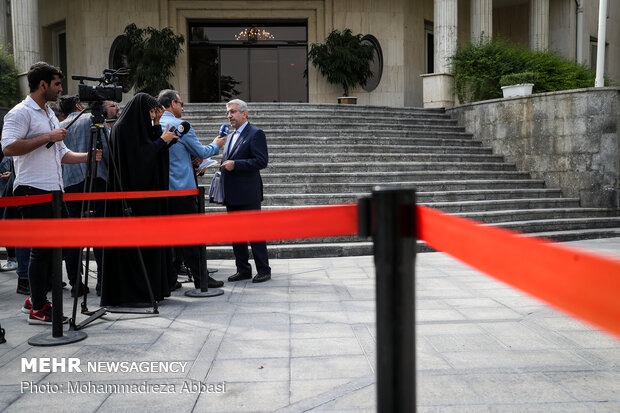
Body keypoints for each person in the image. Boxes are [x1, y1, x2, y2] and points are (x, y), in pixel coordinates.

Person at [1, 61, 102, 325]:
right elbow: (9, 147)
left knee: (55, 248)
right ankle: (37, 306)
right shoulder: (20, 112)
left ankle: (35, 299)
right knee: (42, 250)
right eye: (56, 84)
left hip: (53, 191)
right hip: (32, 190)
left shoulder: (47, 113)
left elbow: (61, 154)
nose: (60, 89)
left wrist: (87, 157)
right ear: (42, 84)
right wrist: (47, 137)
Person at [100, 92, 178, 307]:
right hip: (133, 201)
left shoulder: (136, 127)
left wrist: (156, 125)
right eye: (152, 112)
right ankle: (136, 293)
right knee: (137, 249)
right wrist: (161, 140)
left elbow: (150, 149)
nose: (154, 115)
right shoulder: (123, 129)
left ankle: (152, 289)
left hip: (145, 200)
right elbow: (139, 160)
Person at [157, 89, 225, 289]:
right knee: (192, 237)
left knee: (168, 238)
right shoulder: (178, 125)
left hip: (160, 191)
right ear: (172, 104)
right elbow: (201, 152)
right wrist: (216, 144)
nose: (183, 107)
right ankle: (200, 278)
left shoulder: (153, 124)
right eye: (180, 103)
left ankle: (169, 279)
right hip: (182, 189)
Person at [60, 96, 116, 297]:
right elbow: (109, 150)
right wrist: (112, 172)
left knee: (73, 235)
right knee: (100, 231)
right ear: (78, 106)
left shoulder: (61, 126)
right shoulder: (94, 121)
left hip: (70, 184)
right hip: (97, 180)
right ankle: (102, 282)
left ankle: (76, 284)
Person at [220, 99, 271, 283]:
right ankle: (243, 269)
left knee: (255, 233)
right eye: (228, 113)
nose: (229, 116)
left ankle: (264, 270)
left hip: (249, 194)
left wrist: (236, 164)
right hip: (232, 194)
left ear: (244, 114)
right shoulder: (231, 135)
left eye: (233, 112)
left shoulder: (256, 133)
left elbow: (261, 161)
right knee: (236, 234)